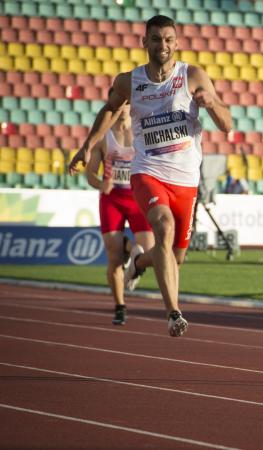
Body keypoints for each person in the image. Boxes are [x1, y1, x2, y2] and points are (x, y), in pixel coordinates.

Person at [68, 15, 233, 337]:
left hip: (186, 180)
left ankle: (139, 263)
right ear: (145, 42)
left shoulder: (193, 75)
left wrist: (211, 103)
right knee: (163, 226)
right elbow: (110, 110)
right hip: (148, 172)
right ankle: (174, 313)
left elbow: (227, 124)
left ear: (177, 42)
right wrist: (88, 146)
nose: (163, 45)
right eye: (156, 39)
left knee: (175, 257)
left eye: (169, 39)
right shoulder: (130, 81)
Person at [85, 90, 154, 325]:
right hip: (112, 199)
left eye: (128, 103)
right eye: (120, 103)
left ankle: (132, 253)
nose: (124, 108)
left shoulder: (142, 132)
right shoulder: (104, 136)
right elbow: (89, 173)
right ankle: (120, 305)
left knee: (149, 250)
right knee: (114, 257)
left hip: (137, 197)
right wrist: (100, 184)